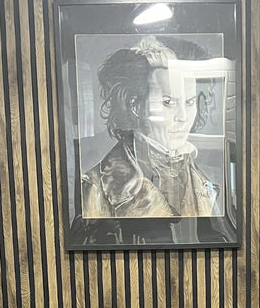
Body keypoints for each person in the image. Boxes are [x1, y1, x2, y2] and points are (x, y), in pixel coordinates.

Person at [80, 36, 222, 219]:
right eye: (168, 102)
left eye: (190, 102)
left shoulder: (207, 184)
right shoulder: (96, 187)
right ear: (135, 105)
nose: (183, 117)